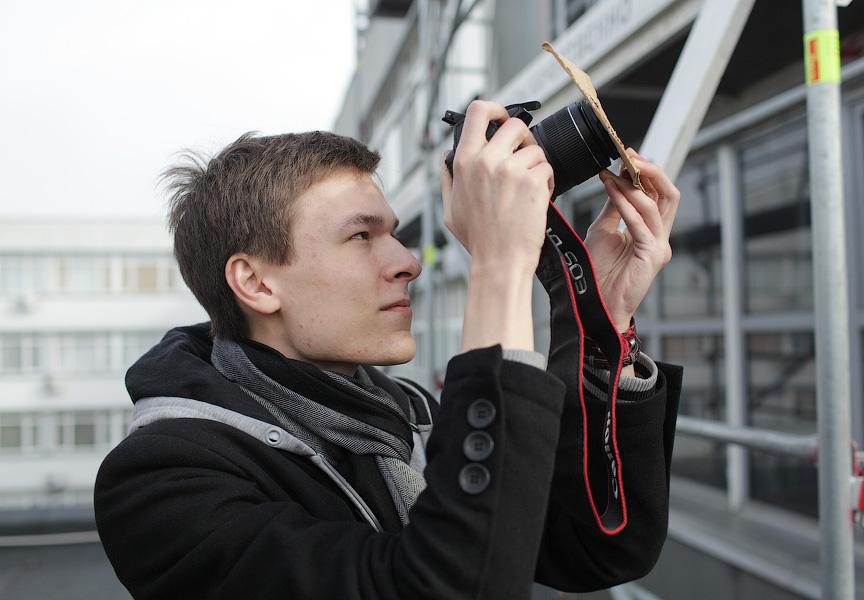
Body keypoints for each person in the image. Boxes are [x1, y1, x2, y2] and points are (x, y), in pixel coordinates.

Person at [94, 100, 682, 599]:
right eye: (360, 236)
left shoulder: (409, 415)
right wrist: (500, 266)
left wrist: (604, 324)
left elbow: (597, 548)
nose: (406, 262)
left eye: (394, 233)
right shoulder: (162, 485)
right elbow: (446, 585)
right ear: (256, 283)